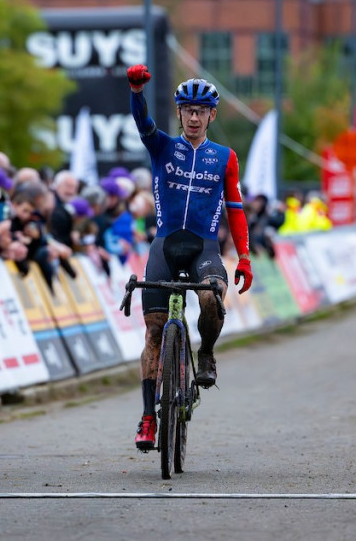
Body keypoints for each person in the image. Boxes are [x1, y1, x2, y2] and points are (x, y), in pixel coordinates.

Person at [125, 63, 253, 451]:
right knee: (153, 330)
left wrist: (244, 256)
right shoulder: (163, 145)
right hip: (165, 245)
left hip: (204, 248)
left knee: (212, 297)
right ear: (179, 113)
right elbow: (142, 121)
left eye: (201, 111)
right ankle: (149, 417)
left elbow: (235, 208)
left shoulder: (225, 157)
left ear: (212, 115)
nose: (193, 117)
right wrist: (135, 92)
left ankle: (207, 352)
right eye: (187, 110)